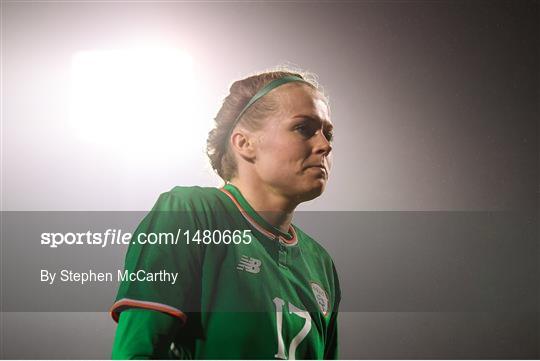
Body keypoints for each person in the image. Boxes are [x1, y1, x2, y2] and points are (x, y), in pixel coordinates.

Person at [110, 69, 341, 359]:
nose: (325, 145)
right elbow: (136, 353)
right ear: (245, 143)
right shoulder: (191, 212)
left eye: (328, 133)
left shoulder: (320, 263)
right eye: (303, 128)